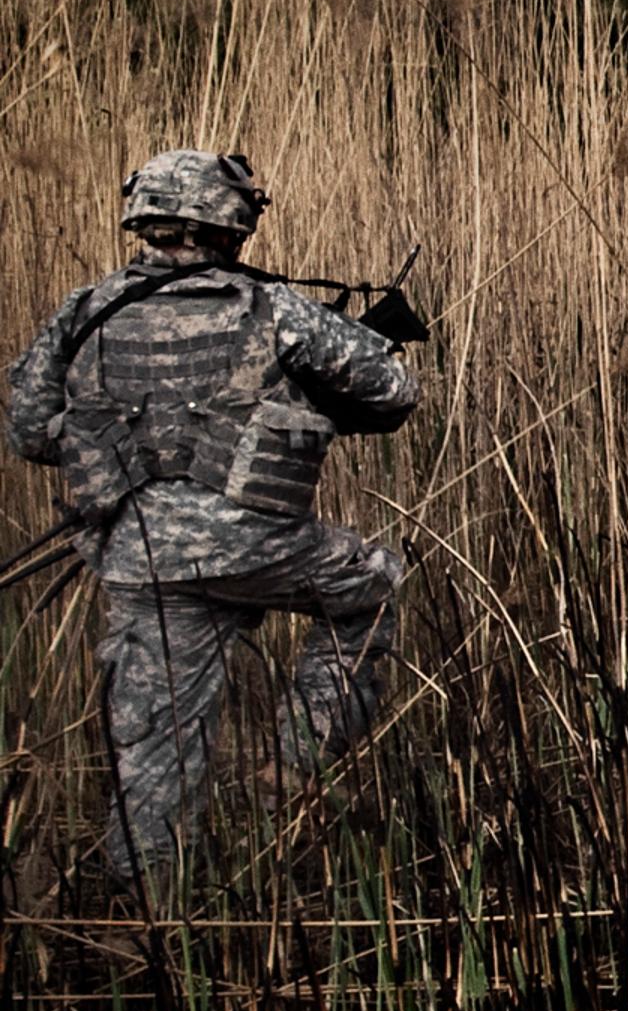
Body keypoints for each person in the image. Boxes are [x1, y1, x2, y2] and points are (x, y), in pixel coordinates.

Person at [7, 150, 421, 899]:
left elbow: (30, 430)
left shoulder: (85, 310)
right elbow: (392, 392)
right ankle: (296, 761)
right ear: (229, 222)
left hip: (141, 559)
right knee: (372, 589)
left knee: (155, 751)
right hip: (259, 541)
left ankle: (151, 919)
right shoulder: (269, 306)